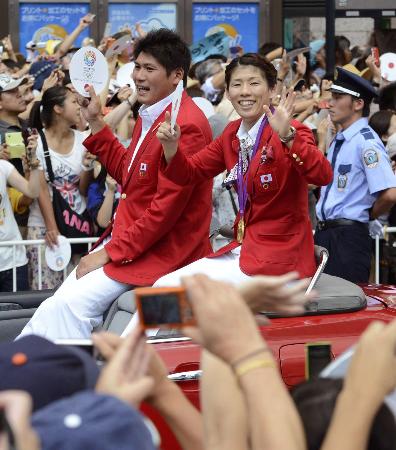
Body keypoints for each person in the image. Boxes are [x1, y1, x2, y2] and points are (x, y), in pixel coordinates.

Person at [19, 29, 213, 340]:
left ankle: (61, 383)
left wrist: (109, 253)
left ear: (177, 75)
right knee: (56, 306)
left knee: (68, 307)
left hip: (160, 253)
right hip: (133, 245)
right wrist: (95, 120)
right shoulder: (155, 111)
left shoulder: (185, 124)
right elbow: (130, 173)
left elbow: (164, 210)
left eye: (149, 69)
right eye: (137, 66)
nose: (138, 76)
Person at [154, 53, 332, 286]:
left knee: (171, 290)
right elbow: (188, 173)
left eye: (254, 83)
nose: (245, 91)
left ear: (271, 90)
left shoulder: (293, 129)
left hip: (282, 261)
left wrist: (288, 136)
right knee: (162, 288)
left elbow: (322, 175)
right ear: (227, 93)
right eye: (237, 84)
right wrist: (171, 148)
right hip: (246, 251)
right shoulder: (231, 133)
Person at [315, 67, 396, 284]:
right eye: (331, 96)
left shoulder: (366, 142)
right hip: (327, 234)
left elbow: (389, 194)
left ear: (358, 104)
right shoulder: (340, 140)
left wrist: (366, 215)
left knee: (341, 305)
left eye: (338, 97)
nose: (330, 103)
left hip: (347, 237)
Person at [26, 86, 93, 290]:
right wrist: (53, 228)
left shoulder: (83, 140)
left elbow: (82, 189)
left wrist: (87, 167)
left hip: (77, 225)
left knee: (76, 291)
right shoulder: (36, 143)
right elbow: (42, 190)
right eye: (73, 102)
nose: (78, 106)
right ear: (58, 109)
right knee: (45, 293)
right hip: (45, 229)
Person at [0, 134, 40, 292]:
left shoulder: (3, 167)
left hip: (14, 260)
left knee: (17, 315)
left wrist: (35, 165)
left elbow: (33, 191)